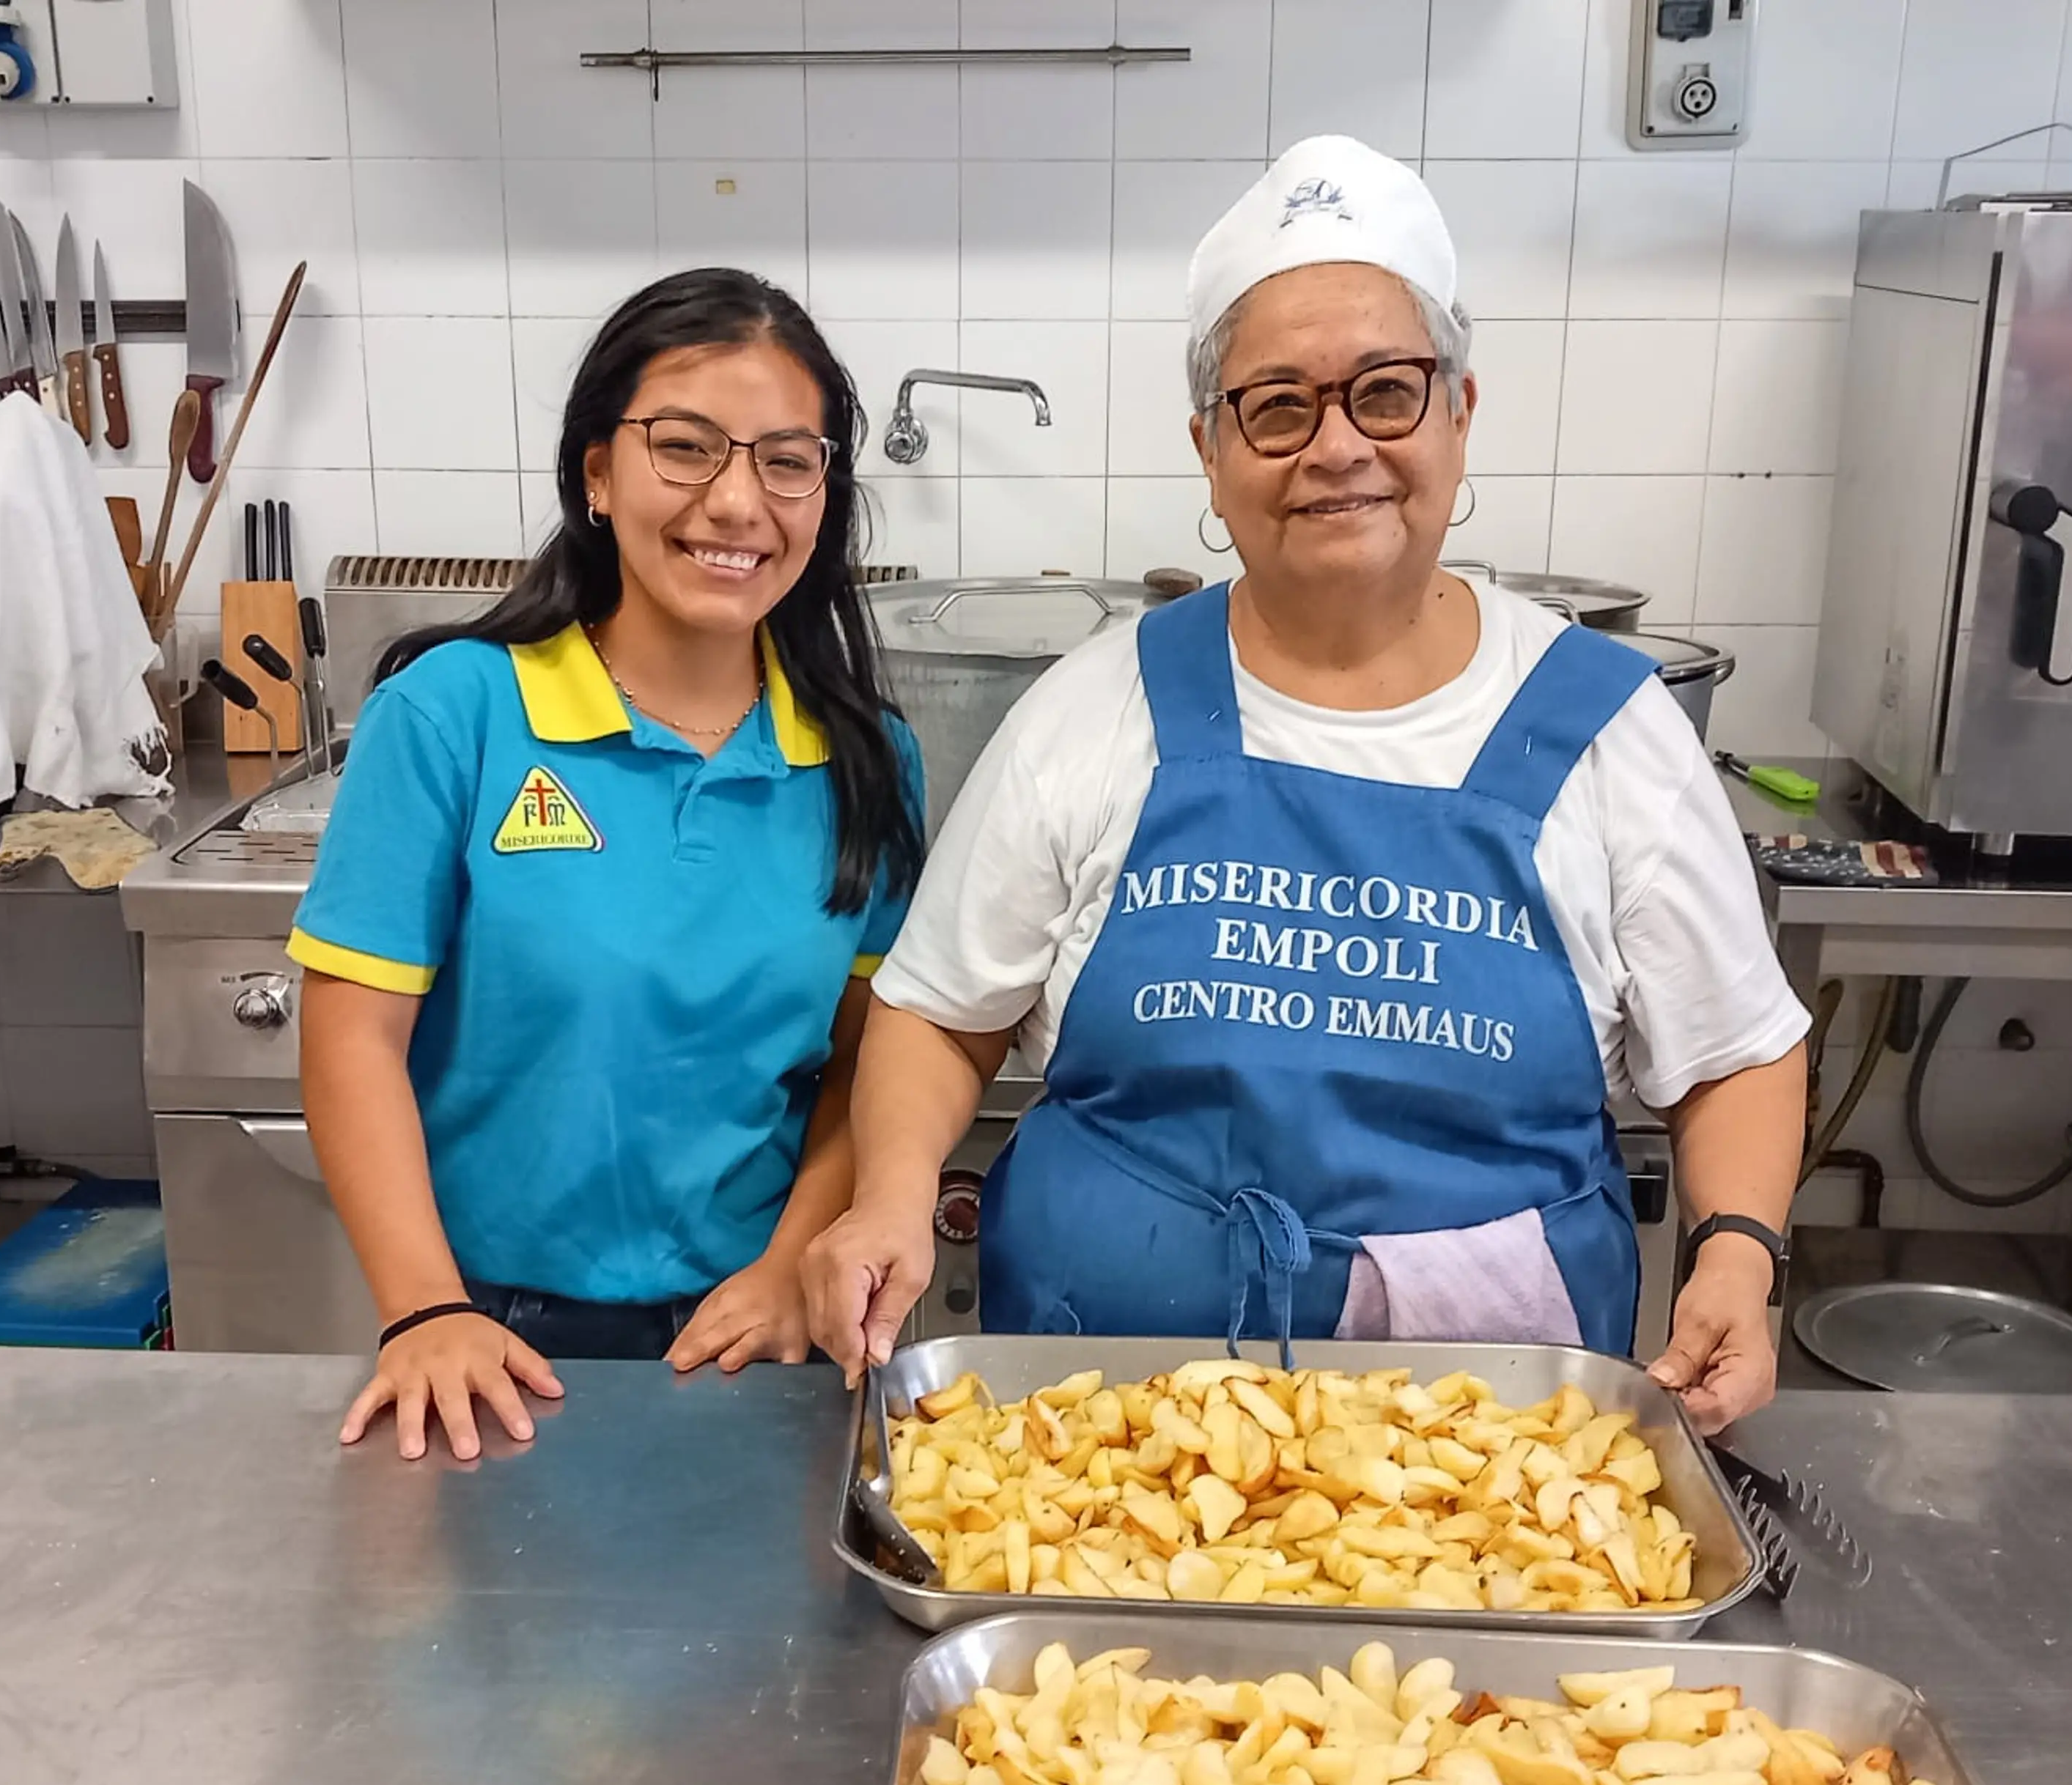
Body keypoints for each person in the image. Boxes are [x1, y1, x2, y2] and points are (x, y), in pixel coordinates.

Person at [803, 138, 1807, 1433]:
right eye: (1277, 405)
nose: (1336, 446)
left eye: (1384, 391)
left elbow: (1733, 1053)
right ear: (1212, 451)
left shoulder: (1605, 729)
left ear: (1458, 409)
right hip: (1098, 1436)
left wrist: (1738, 1252)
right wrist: (889, 1192)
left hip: (1488, 1459)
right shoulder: (1098, 706)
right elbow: (941, 1011)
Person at [292, 267, 924, 1461]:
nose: (738, 501)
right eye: (685, 447)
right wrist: (426, 1310)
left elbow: (867, 1067)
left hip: (756, 1348)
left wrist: (793, 1265)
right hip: (492, 1354)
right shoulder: (455, 716)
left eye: (788, 461)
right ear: (597, 472)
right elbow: (350, 1037)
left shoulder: (865, 759)